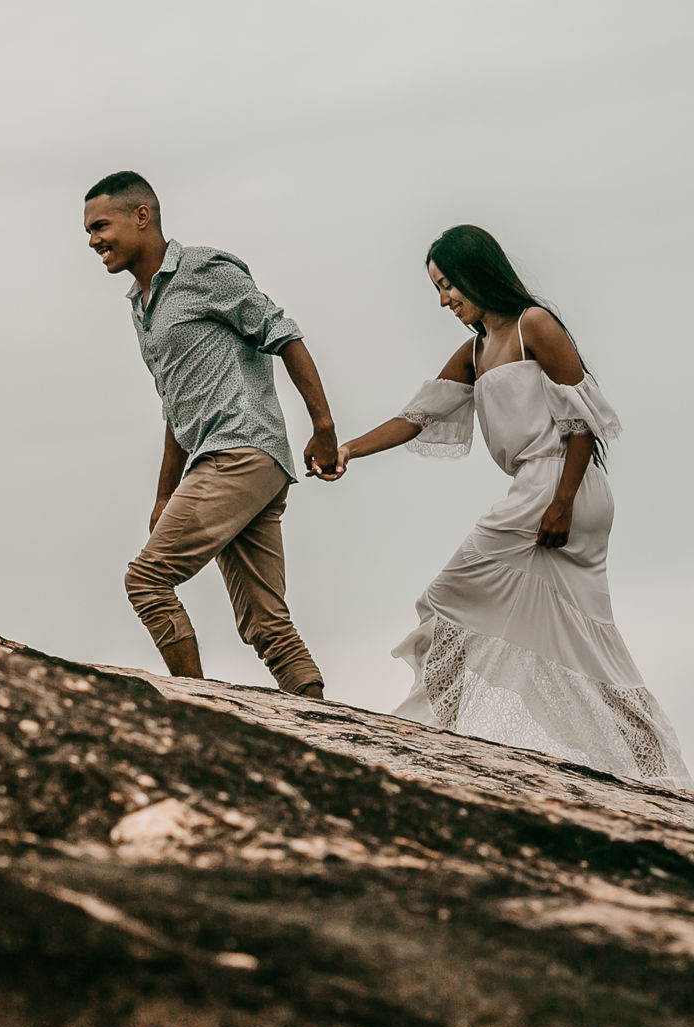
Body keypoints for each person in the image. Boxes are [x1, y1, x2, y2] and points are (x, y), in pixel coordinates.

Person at [318, 225, 690, 787]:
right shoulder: (474, 349)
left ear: (476, 273)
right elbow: (416, 417)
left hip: (561, 484)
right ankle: (652, 760)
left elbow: (581, 419)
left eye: (448, 286)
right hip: (537, 489)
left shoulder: (532, 325)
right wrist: (348, 449)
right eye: (438, 289)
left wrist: (561, 503)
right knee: (587, 645)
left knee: (445, 598)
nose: (445, 300)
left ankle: (439, 731)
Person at [83, 171, 337, 698]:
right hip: (225, 461)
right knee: (267, 625)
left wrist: (323, 426)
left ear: (142, 216)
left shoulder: (204, 269)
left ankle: (198, 710)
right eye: (88, 232)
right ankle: (327, 730)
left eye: (100, 225)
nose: (93, 241)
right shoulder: (141, 305)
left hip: (240, 451)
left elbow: (283, 333)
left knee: (147, 581)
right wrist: (163, 494)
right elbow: (175, 407)